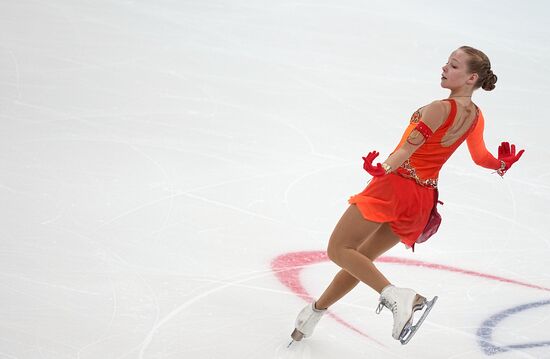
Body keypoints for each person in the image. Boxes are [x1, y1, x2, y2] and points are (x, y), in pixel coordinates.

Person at [289, 46, 525, 345]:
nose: (444, 68)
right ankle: (314, 313)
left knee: (339, 250)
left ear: (471, 77)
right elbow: (481, 157)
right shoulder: (475, 116)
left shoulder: (439, 108)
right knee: (360, 260)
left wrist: (382, 168)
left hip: (396, 185)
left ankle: (397, 296)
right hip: (421, 200)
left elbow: (406, 150)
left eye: (453, 66)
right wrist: (502, 164)